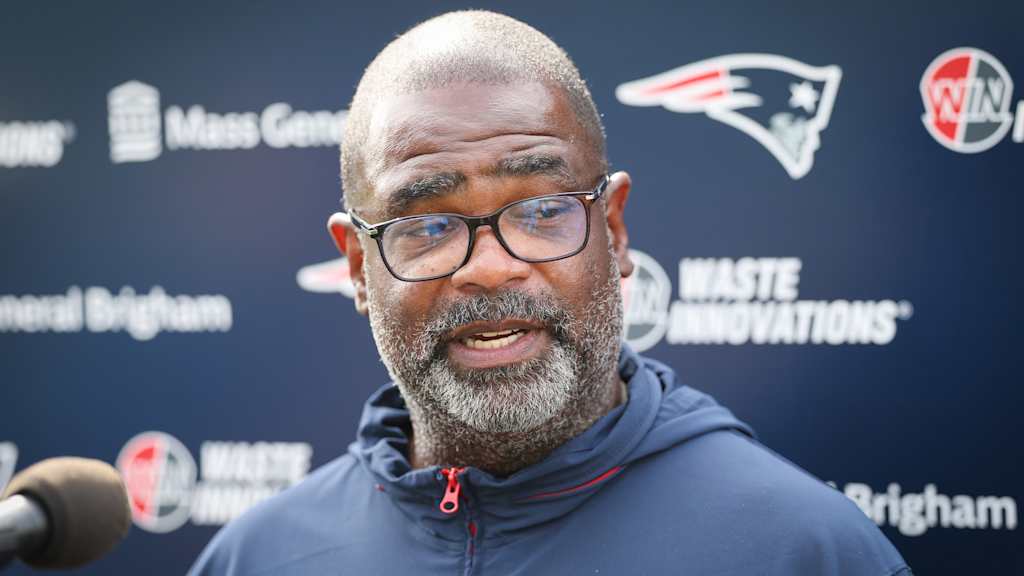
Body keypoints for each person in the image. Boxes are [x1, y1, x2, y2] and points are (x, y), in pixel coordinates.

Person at [190, 10, 911, 575]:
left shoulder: (803, 553)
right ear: (356, 267)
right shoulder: (259, 557)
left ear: (616, 230)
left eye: (541, 211)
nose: (492, 267)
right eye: (429, 225)